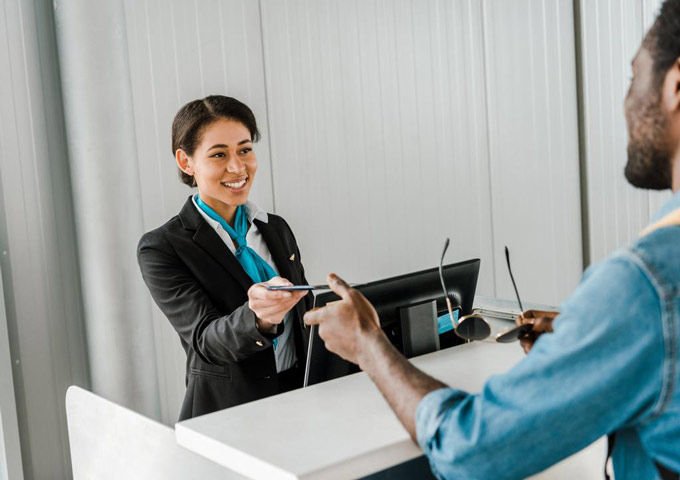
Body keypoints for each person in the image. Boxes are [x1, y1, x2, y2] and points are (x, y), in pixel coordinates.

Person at [304, 2, 680, 478]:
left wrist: (367, 343)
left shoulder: (646, 285)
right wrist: (591, 336)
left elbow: (471, 453)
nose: (627, 101)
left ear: (675, 85)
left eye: (633, 78)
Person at [138, 95, 311, 420]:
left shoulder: (276, 228)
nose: (237, 167)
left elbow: (302, 313)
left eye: (245, 150)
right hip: (228, 414)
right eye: (219, 154)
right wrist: (258, 318)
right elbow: (205, 340)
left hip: (299, 399)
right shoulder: (162, 247)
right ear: (186, 162)